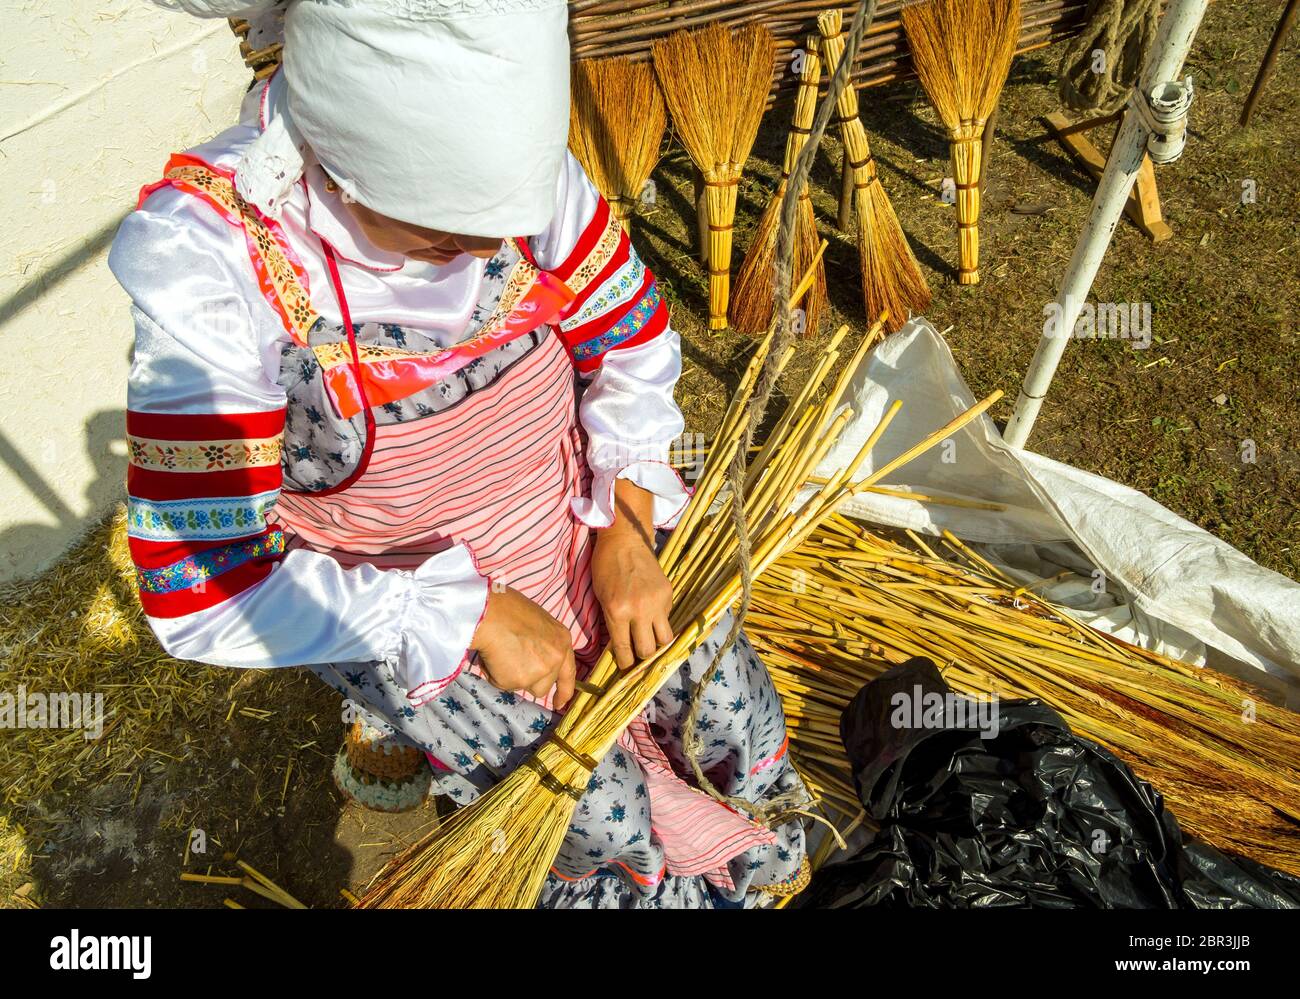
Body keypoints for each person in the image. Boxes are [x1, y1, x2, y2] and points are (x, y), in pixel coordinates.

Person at [112, 0, 807, 907]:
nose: (486, 253)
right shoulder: (214, 261)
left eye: (500, 225)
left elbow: (629, 339)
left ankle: (756, 859)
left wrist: (628, 526)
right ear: (342, 166)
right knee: (590, 808)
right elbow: (202, 586)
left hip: (579, 527)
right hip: (415, 610)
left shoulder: (511, 172)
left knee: (727, 701)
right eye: (444, 233)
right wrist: (469, 615)